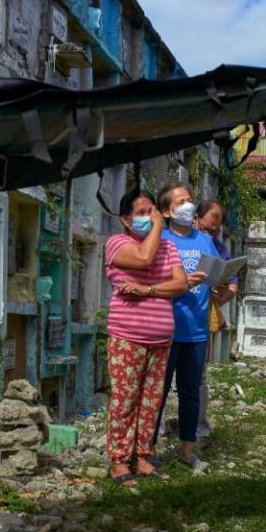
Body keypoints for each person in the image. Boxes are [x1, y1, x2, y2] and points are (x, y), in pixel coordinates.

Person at [103, 189, 189, 486]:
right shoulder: (117, 244)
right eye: (143, 212)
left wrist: (148, 290)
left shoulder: (168, 247)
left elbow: (180, 284)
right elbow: (143, 258)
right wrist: (158, 228)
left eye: (153, 210)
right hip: (127, 336)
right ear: (126, 219)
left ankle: (143, 456)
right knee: (125, 400)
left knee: (151, 402)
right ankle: (118, 460)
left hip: (161, 339)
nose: (151, 217)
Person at [153, 181, 218, 472]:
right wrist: (182, 284)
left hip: (197, 330)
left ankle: (188, 449)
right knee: (160, 392)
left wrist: (220, 280)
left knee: (191, 392)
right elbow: (151, 284)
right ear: (167, 211)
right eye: (180, 202)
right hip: (166, 328)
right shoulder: (161, 240)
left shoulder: (204, 239)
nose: (188, 205)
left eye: (189, 199)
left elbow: (215, 272)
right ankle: (148, 448)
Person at [194, 200, 239, 440]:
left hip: (201, 320)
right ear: (195, 220)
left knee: (199, 377)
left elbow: (232, 284)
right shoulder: (182, 243)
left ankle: (198, 428)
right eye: (206, 228)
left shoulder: (220, 250)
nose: (211, 233)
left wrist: (223, 296)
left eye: (216, 230)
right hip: (175, 317)